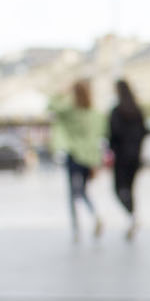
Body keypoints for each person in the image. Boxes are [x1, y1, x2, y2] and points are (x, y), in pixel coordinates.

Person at [49, 80, 105, 241]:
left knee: (73, 193)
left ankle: (76, 229)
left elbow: (52, 106)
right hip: (89, 158)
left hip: (74, 156)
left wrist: (62, 91)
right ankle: (95, 215)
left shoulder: (71, 111)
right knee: (83, 191)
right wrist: (97, 162)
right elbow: (99, 138)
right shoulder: (95, 114)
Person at [107, 79, 147, 239]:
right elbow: (144, 131)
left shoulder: (116, 111)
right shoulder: (137, 110)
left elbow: (112, 134)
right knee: (130, 189)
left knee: (118, 189)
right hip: (135, 156)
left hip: (122, 157)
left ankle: (131, 216)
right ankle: (132, 216)